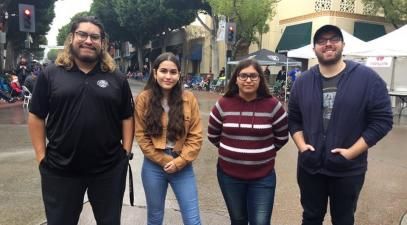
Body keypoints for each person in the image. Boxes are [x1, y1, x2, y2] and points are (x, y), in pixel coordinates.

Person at [27, 16, 134, 225]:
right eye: (82, 34)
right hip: (60, 170)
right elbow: (36, 115)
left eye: (95, 37)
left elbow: (127, 116)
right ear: (71, 38)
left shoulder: (117, 77)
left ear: (102, 43)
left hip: (108, 170)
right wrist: (41, 156)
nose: (88, 41)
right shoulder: (50, 74)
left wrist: (125, 154)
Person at [288, 25, 393, 225]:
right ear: (314, 49)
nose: (328, 43)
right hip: (310, 168)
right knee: (310, 217)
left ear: (343, 45)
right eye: (321, 41)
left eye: (334, 38)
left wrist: (352, 152)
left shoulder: (367, 79)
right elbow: (293, 118)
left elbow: (382, 120)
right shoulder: (303, 82)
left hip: (348, 169)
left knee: (343, 220)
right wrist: (302, 146)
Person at [208, 59, 289, 225]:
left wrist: (261, 154)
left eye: (253, 76)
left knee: (260, 222)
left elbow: (282, 137)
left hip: (262, 176)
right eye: (243, 75)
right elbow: (213, 135)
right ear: (236, 79)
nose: (248, 80)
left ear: (260, 79)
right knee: (238, 220)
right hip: (229, 175)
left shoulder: (273, 106)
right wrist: (232, 150)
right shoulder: (223, 104)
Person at [134, 52, 203, 225]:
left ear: (179, 75)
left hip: (182, 164)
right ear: (155, 72)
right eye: (163, 71)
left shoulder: (189, 99)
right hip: (153, 166)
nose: (168, 76)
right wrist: (164, 160)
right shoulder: (144, 99)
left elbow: (196, 136)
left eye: (173, 72)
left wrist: (180, 161)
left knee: (193, 220)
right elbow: (141, 136)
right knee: (155, 218)